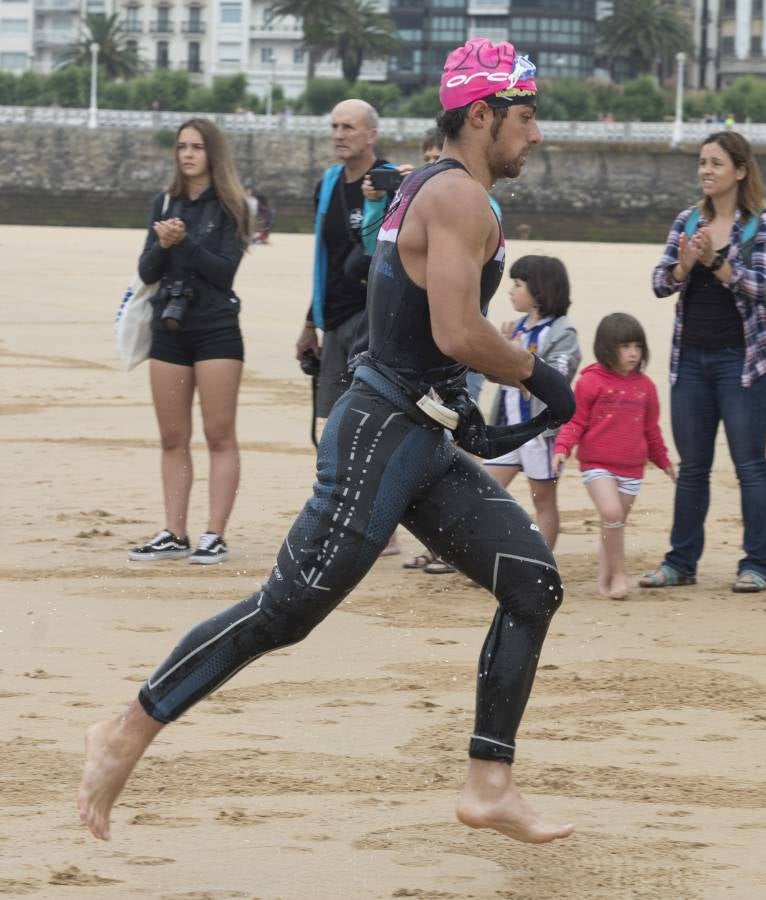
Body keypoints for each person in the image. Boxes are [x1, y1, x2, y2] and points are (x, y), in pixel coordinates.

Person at [79, 38, 576, 846]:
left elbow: (421, 330)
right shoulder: (457, 200)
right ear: (481, 115)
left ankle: (490, 783)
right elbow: (456, 331)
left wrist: (475, 400)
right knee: (288, 609)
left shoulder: (429, 184)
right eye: (525, 117)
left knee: (531, 584)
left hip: (419, 434)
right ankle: (126, 729)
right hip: (384, 433)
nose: (536, 134)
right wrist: (538, 374)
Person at [642, 130, 766, 594]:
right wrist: (685, 265)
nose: (706, 170)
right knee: (693, 467)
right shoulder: (687, 221)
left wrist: (718, 263)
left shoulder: (763, 225)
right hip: (691, 361)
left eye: (717, 163)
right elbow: (661, 283)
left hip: (742, 362)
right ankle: (680, 562)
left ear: (740, 171)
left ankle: (758, 564)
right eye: (703, 162)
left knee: (750, 465)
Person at [126, 118, 251, 566]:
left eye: (196, 146)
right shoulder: (165, 201)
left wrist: (183, 243)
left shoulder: (234, 205)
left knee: (219, 435)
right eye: (181, 146)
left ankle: (214, 533)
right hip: (170, 331)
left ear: (212, 153)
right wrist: (163, 245)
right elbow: (146, 272)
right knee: (172, 436)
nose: (187, 154)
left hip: (217, 329)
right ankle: (173, 531)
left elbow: (223, 271)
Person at [294, 98, 406, 557]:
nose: (339, 134)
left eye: (349, 127)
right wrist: (310, 322)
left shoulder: (389, 180)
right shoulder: (328, 182)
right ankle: (347, 518)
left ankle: (384, 530)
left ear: (370, 135)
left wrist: (390, 195)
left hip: (375, 322)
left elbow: (398, 253)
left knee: (371, 427)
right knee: (332, 428)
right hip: (334, 319)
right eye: (334, 125)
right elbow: (322, 258)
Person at [553, 313, 675, 599]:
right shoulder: (589, 382)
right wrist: (562, 449)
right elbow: (575, 421)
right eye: (625, 346)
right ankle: (621, 575)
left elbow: (651, 430)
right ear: (608, 348)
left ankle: (604, 580)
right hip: (597, 465)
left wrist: (664, 461)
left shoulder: (646, 387)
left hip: (632, 469)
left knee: (614, 524)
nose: (633, 353)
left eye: (637, 346)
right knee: (611, 513)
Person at [485, 255, 582, 550]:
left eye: (517, 284)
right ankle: (489, 558)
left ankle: (541, 565)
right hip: (507, 430)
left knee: (543, 501)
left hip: (540, 434)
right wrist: (497, 353)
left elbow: (558, 376)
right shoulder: (515, 328)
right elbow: (494, 376)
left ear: (540, 290)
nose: (510, 290)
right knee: (485, 491)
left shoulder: (563, 332)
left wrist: (515, 355)